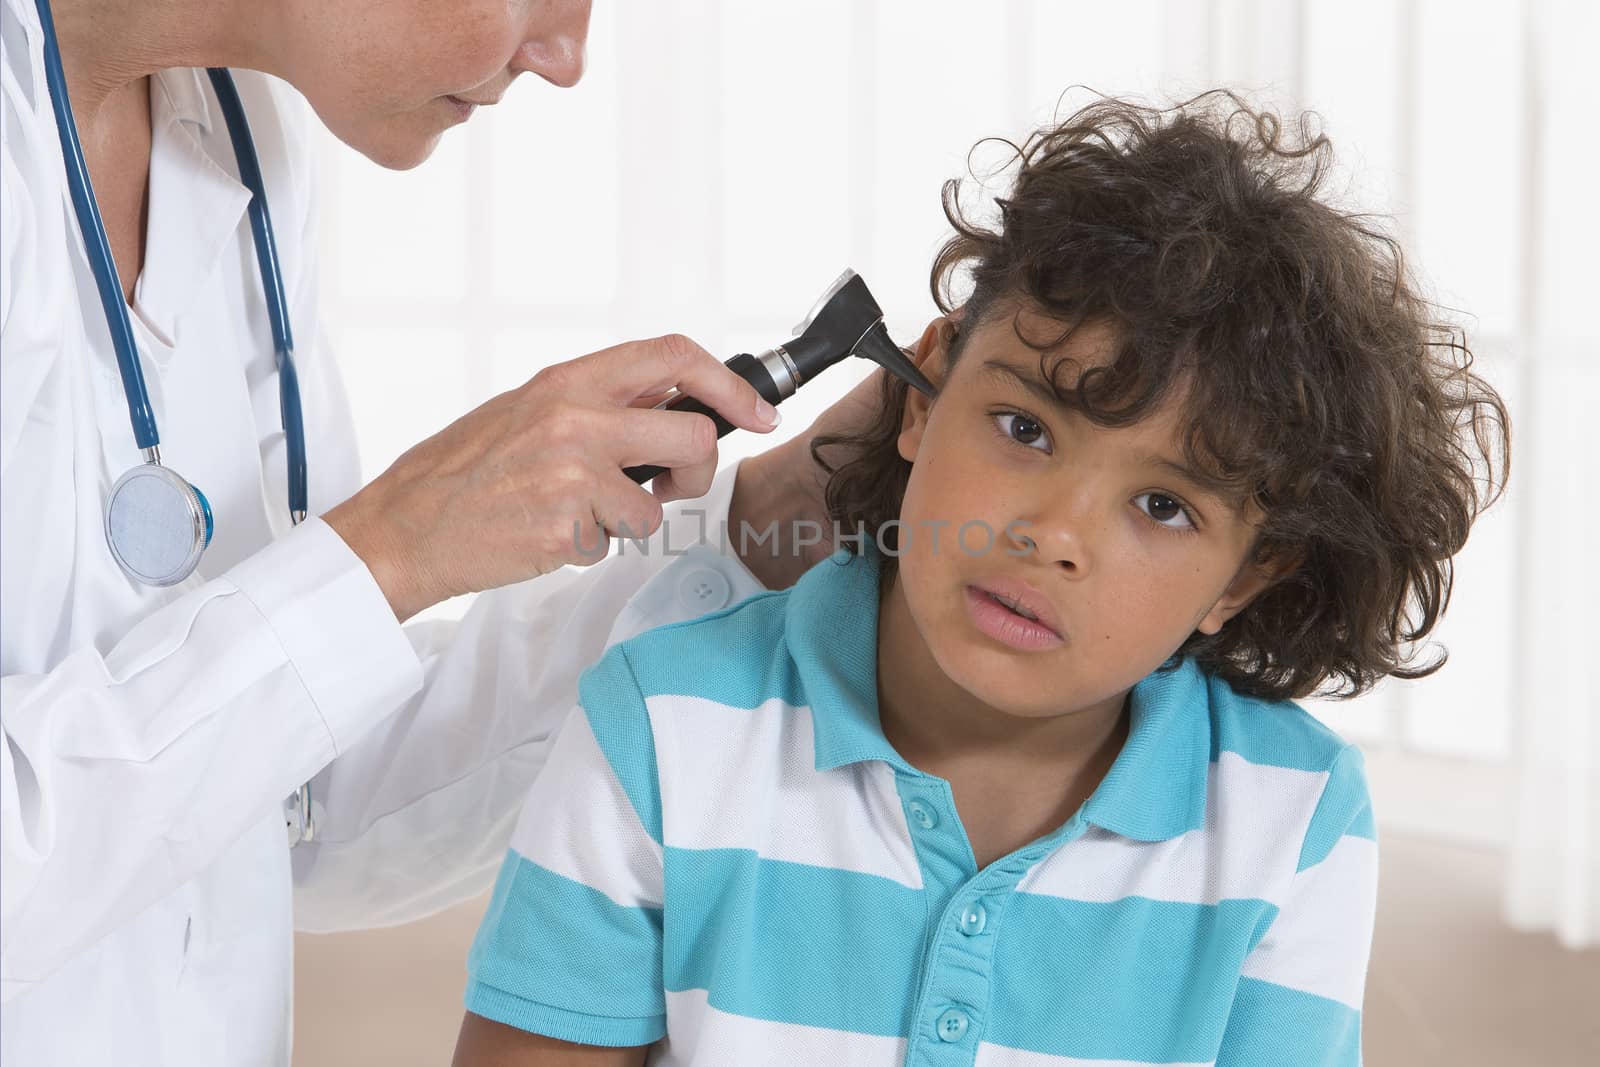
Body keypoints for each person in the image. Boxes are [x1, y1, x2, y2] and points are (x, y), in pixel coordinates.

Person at [451, 92, 1512, 1066]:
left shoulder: (1294, 813)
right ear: (922, 394)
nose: (1052, 534)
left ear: (1245, 575)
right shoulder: (660, 723)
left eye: (1163, 505)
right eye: (1023, 427)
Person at [0, 0, 870, 1063]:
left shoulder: (242, 129)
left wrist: (755, 533)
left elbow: (288, 814)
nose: (564, 59)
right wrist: (392, 548)